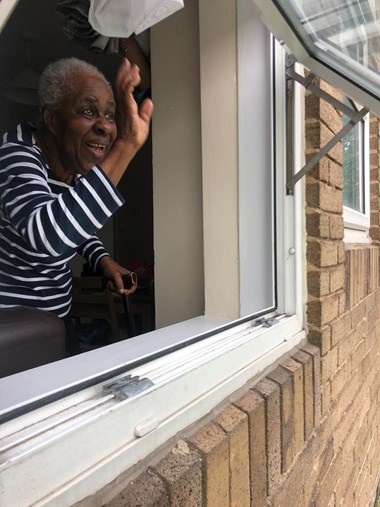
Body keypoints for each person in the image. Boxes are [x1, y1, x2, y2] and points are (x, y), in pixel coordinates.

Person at [0, 56, 153, 351]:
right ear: (52, 119)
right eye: (88, 111)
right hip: (10, 329)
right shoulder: (15, 156)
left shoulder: (74, 169)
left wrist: (104, 262)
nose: (106, 127)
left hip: (55, 319)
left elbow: (77, 229)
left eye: (110, 115)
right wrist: (126, 144)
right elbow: (49, 236)